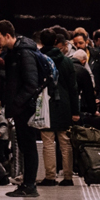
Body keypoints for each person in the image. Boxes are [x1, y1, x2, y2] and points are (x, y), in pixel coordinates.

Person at [0, 20, 41, 197]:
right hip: (21, 109)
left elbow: (30, 84)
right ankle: (27, 184)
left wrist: (16, 104)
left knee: (29, 147)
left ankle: (30, 186)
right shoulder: (14, 53)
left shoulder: (24, 54)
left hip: (25, 109)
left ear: (7, 35)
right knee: (26, 147)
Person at [39, 30, 79, 187]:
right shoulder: (67, 62)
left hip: (45, 105)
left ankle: (50, 177)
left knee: (48, 142)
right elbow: (73, 88)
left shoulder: (38, 59)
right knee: (65, 141)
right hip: (64, 105)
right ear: (56, 41)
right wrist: (75, 111)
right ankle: (68, 177)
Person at [73, 30, 100, 104]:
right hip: (79, 98)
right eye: (75, 44)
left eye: (80, 43)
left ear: (86, 42)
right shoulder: (71, 58)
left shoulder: (96, 56)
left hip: (94, 97)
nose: (78, 46)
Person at [69, 48, 97, 116]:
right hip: (75, 100)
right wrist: (93, 110)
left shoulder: (66, 66)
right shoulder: (83, 71)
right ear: (84, 61)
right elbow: (88, 93)